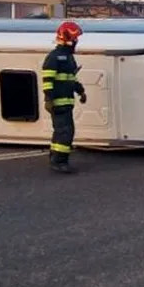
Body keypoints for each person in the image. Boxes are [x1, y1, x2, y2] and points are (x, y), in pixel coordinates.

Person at [42, 21, 87, 174]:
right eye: (75, 39)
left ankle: (55, 157)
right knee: (66, 132)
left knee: (60, 131)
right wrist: (49, 99)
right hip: (58, 103)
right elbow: (47, 80)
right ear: (68, 39)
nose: (76, 42)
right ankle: (59, 162)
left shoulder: (68, 58)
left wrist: (80, 91)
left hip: (66, 103)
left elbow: (71, 79)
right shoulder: (54, 57)